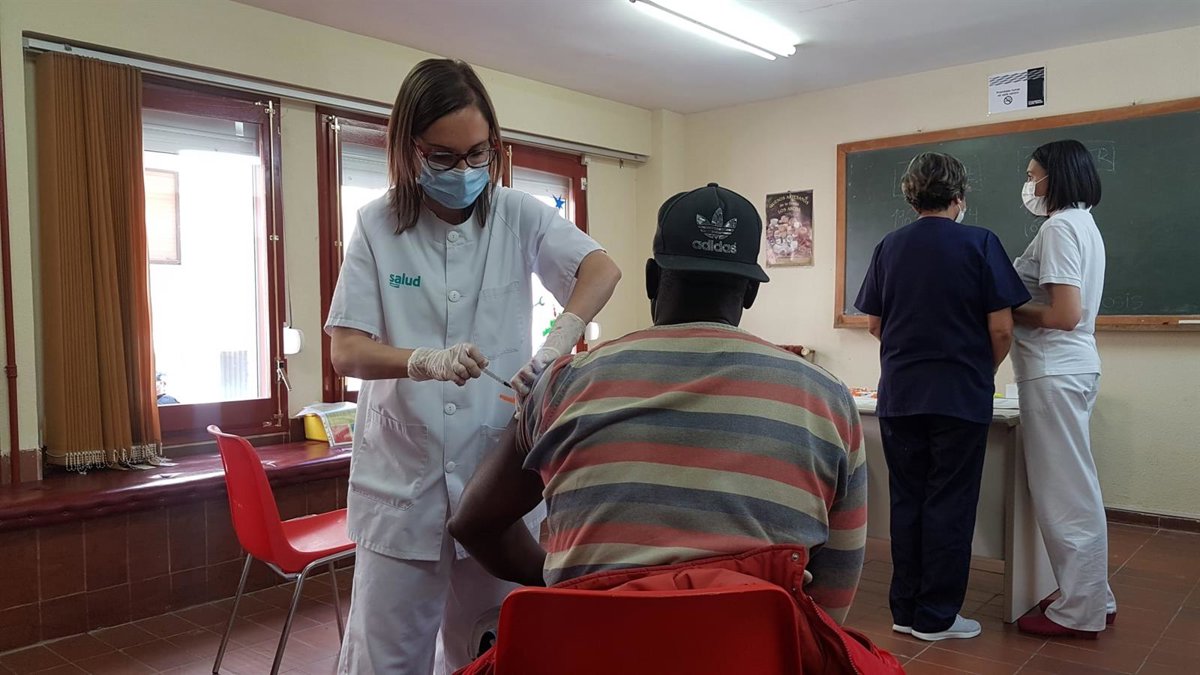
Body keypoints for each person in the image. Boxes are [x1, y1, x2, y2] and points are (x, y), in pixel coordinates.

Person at [448, 184, 903, 674]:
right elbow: (831, 604)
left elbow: (473, 523)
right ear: (751, 292)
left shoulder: (564, 384)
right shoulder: (827, 400)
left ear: (651, 279)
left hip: (586, 659)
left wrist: (572, 587)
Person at [325, 58, 621, 674]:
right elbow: (346, 350)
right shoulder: (377, 225)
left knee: (493, 650)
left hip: (494, 486)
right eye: (443, 156)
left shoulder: (519, 213)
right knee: (386, 660)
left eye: (477, 153)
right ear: (409, 149)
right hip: (403, 488)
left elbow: (601, 270)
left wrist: (556, 343)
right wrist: (422, 362)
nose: (464, 171)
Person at [855, 152, 1030, 642]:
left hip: (900, 394)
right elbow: (1002, 329)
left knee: (907, 500)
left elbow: (874, 324)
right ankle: (936, 616)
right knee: (949, 504)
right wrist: (979, 370)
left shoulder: (889, 246)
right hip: (959, 396)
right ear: (959, 195)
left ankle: (905, 609)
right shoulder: (980, 243)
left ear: (911, 196)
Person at [1011, 140, 1116, 639]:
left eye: (1034, 175)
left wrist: (1004, 306)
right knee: (1077, 487)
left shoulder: (1058, 228)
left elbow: (1063, 314)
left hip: (1054, 369)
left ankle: (1079, 611)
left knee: (1063, 494)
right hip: (1072, 368)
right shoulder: (1084, 224)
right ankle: (1095, 596)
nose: (1029, 184)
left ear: (1056, 176)